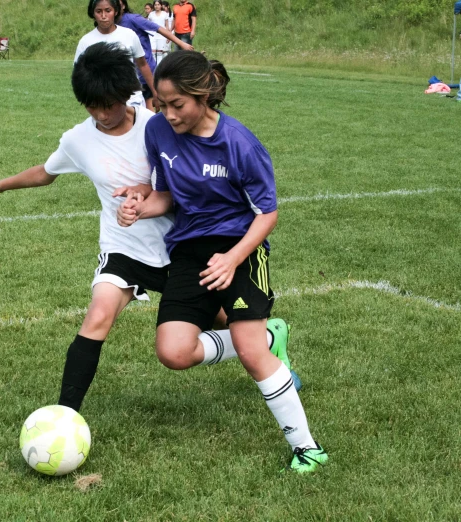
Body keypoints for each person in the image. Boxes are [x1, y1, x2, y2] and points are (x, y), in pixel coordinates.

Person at [116, 51, 327, 474]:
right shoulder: (157, 131)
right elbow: (167, 193)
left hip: (241, 247)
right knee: (173, 351)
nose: (167, 114)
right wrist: (141, 207)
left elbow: (267, 213)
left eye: (177, 104)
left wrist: (232, 259)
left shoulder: (239, 143)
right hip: (190, 250)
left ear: (204, 96)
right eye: (160, 102)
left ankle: (307, 447)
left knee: (249, 353)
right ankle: (271, 338)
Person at [0, 42, 174, 414]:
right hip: (123, 246)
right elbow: (45, 173)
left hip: (176, 244)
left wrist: (146, 196)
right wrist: (0, 184)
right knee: (98, 315)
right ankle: (65, 415)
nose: (101, 114)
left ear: (124, 94)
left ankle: (267, 345)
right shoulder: (78, 140)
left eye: (108, 104)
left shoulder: (158, 126)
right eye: (91, 106)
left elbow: (184, 183)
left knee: (225, 318)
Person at [75, 0, 154, 109]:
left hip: (133, 101)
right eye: (99, 11)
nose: (103, 16)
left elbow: (142, 65)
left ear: (116, 11)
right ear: (93, 13)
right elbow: (79, 74)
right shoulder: (86, 42)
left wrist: (155, 91)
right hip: (104, 105)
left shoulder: (129, 35)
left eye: (108, 11)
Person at [117, 0, 193, 111]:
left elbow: (158, 28)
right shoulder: (109, 25)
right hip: (125, 75)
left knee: (148, 113)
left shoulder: (132, 19)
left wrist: (181, 43)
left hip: (144, 72)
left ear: (123, 5)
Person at [148, 1, 171, 65]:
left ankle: (158, 69)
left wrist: (168, 36)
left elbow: (167, 26)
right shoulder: (151, 14)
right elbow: (148, 25)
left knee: (160, 53)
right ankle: (153, 68)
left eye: (158, 5)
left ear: (161, 5)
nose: (157, 6)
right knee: (153, 52)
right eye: (155, 5)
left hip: (162, 35)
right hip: (153, 35)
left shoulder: (164, 14)